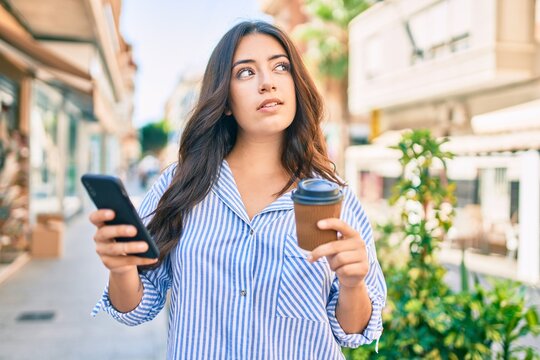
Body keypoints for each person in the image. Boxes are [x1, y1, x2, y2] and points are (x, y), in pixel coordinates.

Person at [89, 21, 386, 359]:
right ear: (225, 100)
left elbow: (354, 333)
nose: (267, 82)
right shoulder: (179, 186)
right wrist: (121, 267)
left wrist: (352, 285)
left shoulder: (335, 198)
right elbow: (135, 309)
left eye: (280, 66)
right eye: (245, 73)